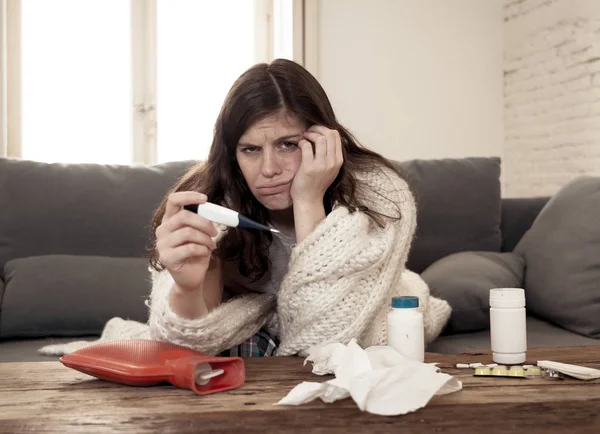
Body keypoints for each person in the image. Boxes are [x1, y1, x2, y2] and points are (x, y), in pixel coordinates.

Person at [147, 58, 451, 357]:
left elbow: (322, 341)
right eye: (250, 149)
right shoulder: (209, 201)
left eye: (287, 145)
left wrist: (308, 199)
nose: (268, 169)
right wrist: (186, 289)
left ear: (324, 139)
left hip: (366, 310)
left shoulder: (379, 195)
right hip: (261, 328)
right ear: (232, 154)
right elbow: (184, 344)